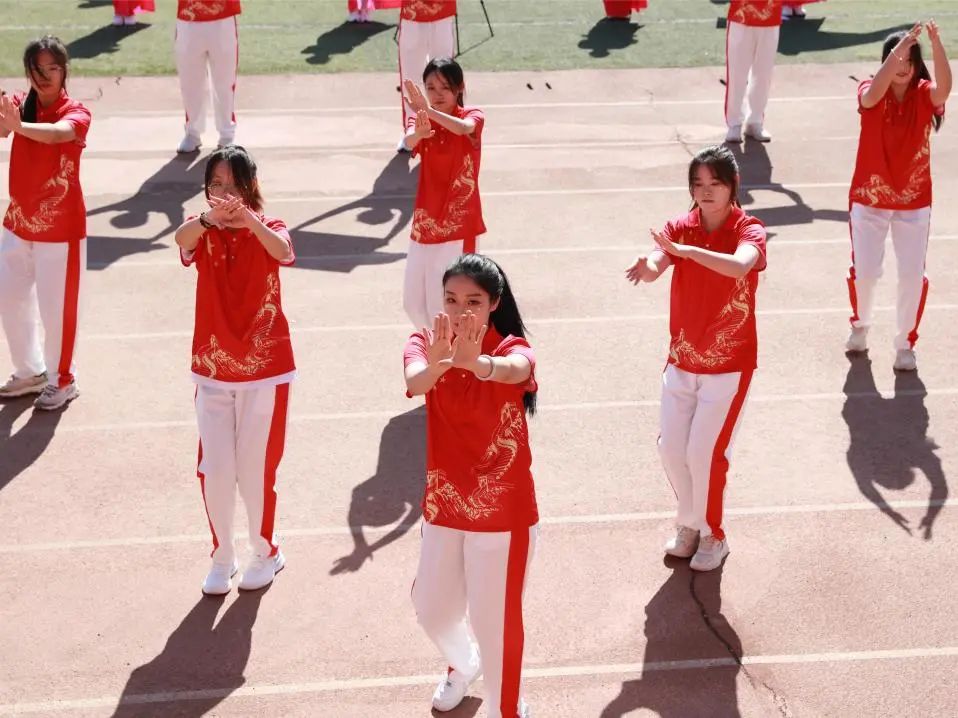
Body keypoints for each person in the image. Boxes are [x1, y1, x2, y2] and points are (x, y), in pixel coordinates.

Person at [403, 253, 538, 717]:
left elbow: (517, 370)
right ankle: (463, 664)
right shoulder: (426, 342)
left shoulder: (511, 346)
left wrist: (477, 363)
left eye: (474, 302)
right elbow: (415, 381)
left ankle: (507, 709)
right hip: (444, 506)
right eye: (451, 299)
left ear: (494, 304)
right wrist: (443, 363)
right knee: (431, 609)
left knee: (493, 622)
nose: (461, 311)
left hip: (503, 514)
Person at [625, 145, 767, 572]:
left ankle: (713, 534)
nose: (705, 192)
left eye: (715, 183)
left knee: (705, 453)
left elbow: (740, 266)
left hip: (728, 366)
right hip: (682, 360)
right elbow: (659, 259)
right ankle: (690, 523)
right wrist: (650, 265)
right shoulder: (680, 228)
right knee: (672, 449)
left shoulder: (749, 229)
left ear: (733, 185)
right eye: (698, 184)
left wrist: (686, 253)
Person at [174, 145, 295, 595]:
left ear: (252, 186)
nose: (225, 193)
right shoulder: (201, 229)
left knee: (255, 469)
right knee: (216, 468)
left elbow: (283, 251)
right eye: (216, 185)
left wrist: (250, 221)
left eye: (234, 184)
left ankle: (266, 551)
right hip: (212, 369)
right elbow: (181, 239)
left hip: (266, 371)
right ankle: (222, 556)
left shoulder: (270, 227)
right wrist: (209, 220)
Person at [846, 22, 950, 371]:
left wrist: (936, 43)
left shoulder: (924, 94)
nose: (903, 65)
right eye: (897, 58)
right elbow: (872, 96)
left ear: (918, 64)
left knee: (911, 275)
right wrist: (900, 46)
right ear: (887, 60)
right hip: (869, 199)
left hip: (913, 201)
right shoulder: (869, 89)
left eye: (910, 59)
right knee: (866, 271)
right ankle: (860, 326)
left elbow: (945, 88)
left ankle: (905, 344)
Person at [0, 36, 91, 410]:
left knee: (58, 311)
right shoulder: (20, 104)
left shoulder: (77, 112)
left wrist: (18, 126)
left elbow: (58, 135)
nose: (45, 75)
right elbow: (4, 128)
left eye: (53, 68)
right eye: (37, 69)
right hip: (18, 223)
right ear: (28, 72)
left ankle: (62, 379)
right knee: (9, 297)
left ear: (64, 70)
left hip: (61, 230)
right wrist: (7, 119)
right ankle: (30, 371)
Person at [401, 57, 486, 330]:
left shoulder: (472, 115)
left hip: (458, 225)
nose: (437, 94)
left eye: (444, 88)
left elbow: (463, 128)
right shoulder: (421, 118)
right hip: (425, 223)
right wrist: (419, 133)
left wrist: (428, 111)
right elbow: (408, 141)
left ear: (459, 88)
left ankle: (452, 350)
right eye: (430, 88)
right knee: (413, 304)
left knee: (445, 306)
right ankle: (436, 348)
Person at [174, 0, 242, 153]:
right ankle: (192, 132)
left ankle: (227, 135)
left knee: (225, 80)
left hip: (223, 17)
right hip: (189, 17)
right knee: (190, 81)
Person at [397, 0, 457, 146]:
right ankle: (413, 128)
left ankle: (444, 127)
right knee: (411, 75)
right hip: (413, 11)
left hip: (443, 10)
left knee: (444, 74)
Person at [725, 0, 782, 143]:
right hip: (741, 15)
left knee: (763, 73)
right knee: (737, 72)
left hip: (770, 15)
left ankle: (754, 121)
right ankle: (734, 123)